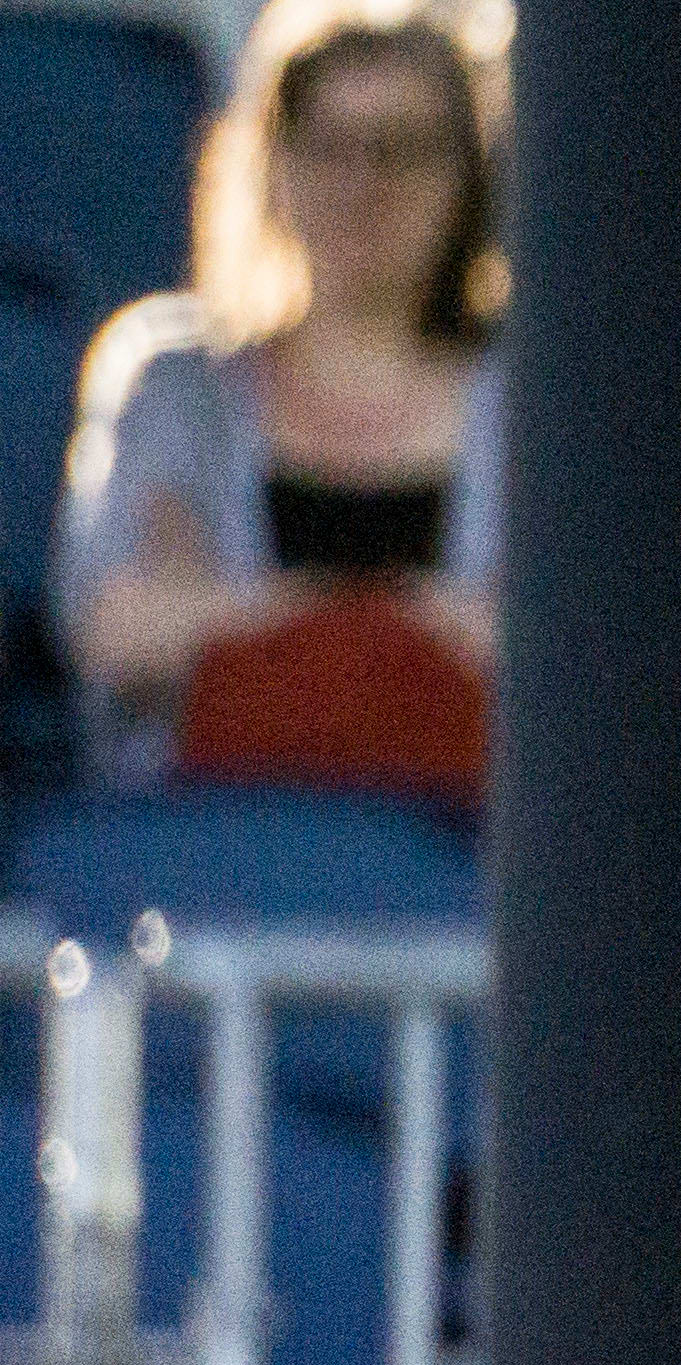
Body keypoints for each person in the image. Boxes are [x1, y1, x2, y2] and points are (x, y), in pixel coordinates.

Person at [56, 0, 506, 792]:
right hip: (215, 828)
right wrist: (412, 623)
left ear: (466, 176)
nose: (364, 184)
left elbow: (570, 653)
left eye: (405, 149)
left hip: (464, 831)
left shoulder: (533, 403)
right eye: (329, 146)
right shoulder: (175, 385)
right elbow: (110, 631)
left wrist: (230, 615)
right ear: (274, 164)